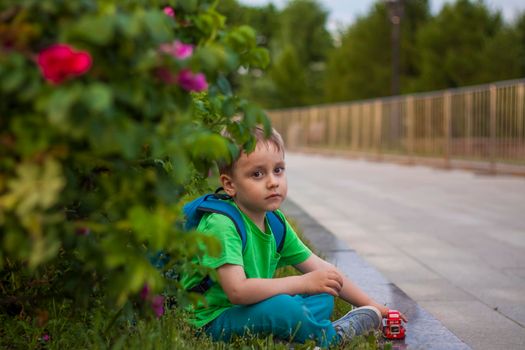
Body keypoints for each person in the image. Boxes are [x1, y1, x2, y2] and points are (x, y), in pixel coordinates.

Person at [180, 126, 407, 347]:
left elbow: (321, 268)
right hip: (215, 318)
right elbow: (237, 291)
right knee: (282, 306)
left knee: (325, 291)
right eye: (257, 174)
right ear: (230, 185)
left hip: (255, 308)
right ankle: (333, 337)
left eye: (278, 170)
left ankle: (292, 334)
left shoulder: (275, 222)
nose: (273, 182)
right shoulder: (222, 224)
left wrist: (372, 304)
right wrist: (302, 282)